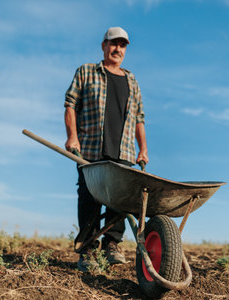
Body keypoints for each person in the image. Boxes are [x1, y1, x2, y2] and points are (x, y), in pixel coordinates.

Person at [63, 27, 148, 271]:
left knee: (118, 201)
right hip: (90, 148)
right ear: (103, 45)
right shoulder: (86, 72)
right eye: (113, 44)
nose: (117, 49)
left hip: (123, 152)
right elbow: (70, 104)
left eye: (122, 45)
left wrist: (143, 149)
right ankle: (88, 250)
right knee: (89, 198)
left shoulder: (132, 80)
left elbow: (139, 118)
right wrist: (72, 137)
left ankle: (112, 245)